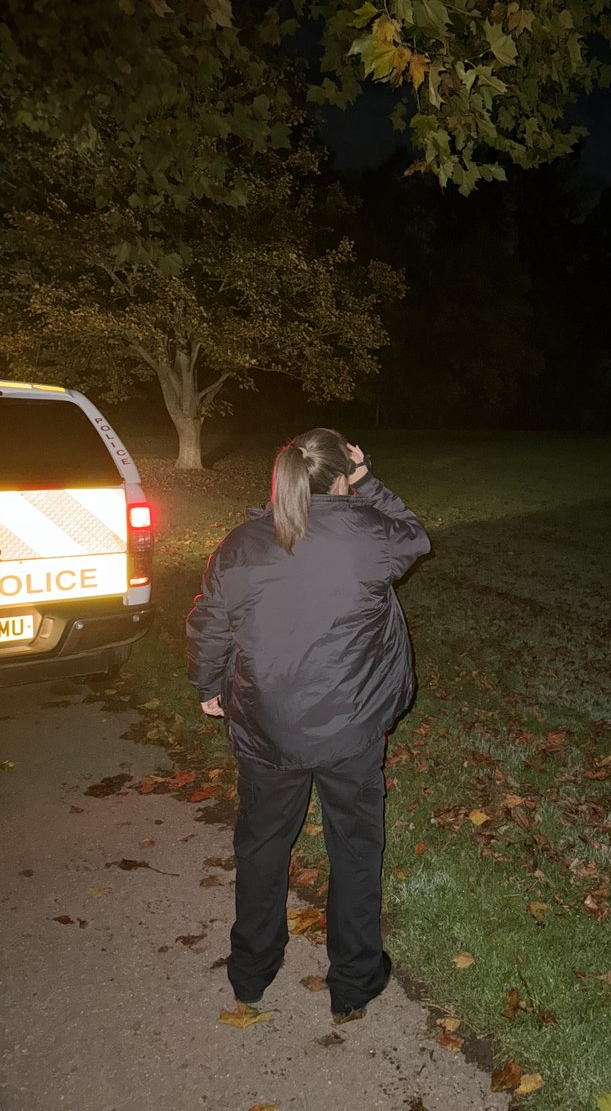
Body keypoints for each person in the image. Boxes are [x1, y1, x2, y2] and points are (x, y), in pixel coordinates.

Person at [186, 429, 430, 1023]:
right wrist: (368, 479)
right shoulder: (367, 535)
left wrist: (207, 687)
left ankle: (250, 972)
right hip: (350, 729)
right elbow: (415, 536)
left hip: (266, 726)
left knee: (262, 846)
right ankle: (353, 980)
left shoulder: (240, 542)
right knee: (354, 847)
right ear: (342, 472)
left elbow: (210, 623)